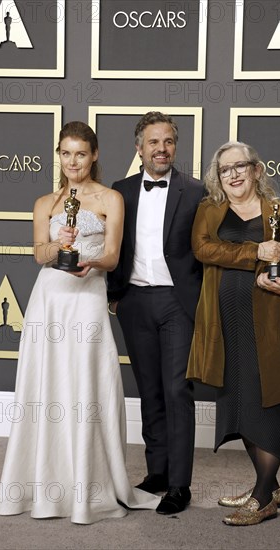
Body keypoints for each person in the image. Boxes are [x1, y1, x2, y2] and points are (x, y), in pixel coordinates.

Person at [0, 121, 160, 524]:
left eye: (80, 154)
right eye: (66, 153)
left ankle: (89, 487)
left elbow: (114, 256)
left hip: (87, 296)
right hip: (48, 299)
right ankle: (42, 484)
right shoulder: (45, 203)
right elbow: (38, 254)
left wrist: (89, 261)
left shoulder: (110, 198)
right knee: (45, 385)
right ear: (59, 155)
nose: (73, 162)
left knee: (88, 383)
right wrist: (58, 243)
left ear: (95, 155)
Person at [187, 141, 280, 526]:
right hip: (224, 324)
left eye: (240, 166)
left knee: (266, 400)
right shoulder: (210, 210)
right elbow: (202, 249)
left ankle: (263, 498)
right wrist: (255, 252)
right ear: (218, 176)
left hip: (271, 326)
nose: (234, 174)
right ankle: (269, 485)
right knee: (238, 399)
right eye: (225, 169)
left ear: (257, 170)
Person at [107, 112, 204, 514]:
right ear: (139, 147)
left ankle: (180, 485)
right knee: (149, 391)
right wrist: (115, 296)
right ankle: (158, 473)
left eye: (168, 142)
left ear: (175, 147)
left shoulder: (197, 192)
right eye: (153, 142)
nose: (161, 149)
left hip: (177, 302)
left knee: (177, 390)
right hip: (134, 302)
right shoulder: (121, 190)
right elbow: (113, 247)